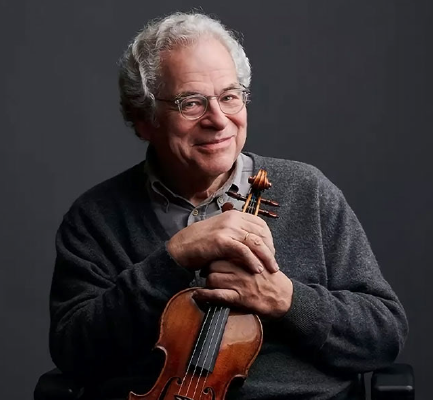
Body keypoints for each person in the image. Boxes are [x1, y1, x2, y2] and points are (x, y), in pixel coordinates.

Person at [49, 11, 408, 400]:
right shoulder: (95, 218)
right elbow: (74, 352)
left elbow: (384, 334)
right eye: (191, 103)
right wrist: (173, 258)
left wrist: (287, 299)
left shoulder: (309, 191)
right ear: (144, 119)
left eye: (230, 96)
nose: (219, 120)